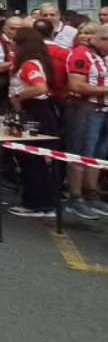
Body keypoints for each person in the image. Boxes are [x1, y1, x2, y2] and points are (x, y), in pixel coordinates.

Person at [7, 28, 58, 218]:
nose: (11, 44)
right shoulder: (31, 63)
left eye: (15, 41)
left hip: (35, 113)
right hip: (35, 112)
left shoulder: (29, 65)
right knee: (34, 160)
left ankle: (36, 204)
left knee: (32, 160)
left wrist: (18, 96)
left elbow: (40, 87)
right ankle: (42, 202)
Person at [63, 22, 108, 220]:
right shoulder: (81, 54)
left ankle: (91, 193)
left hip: (103, 109)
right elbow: (76, 85)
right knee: (81, 152)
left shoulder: (102, 56)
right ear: (100, 39)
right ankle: (75, 196)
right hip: (85, 108)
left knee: (98, 154)